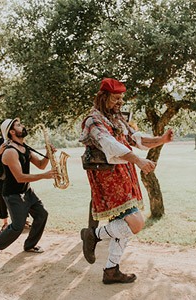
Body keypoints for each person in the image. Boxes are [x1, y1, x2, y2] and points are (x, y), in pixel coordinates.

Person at [79, 78, 173, 284]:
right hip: (108, 179)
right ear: (103, 97)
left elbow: (135, 138)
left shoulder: (117, 119)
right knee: (136, 223)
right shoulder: (93, 120)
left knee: (123, 226)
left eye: (122, 98)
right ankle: (93, 235)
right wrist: (138, 160)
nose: (120, 103)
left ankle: (111, 270)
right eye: (116, 98)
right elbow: (110, 145)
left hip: (124, 176)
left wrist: (161, 140)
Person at [0, 118, 57, 263]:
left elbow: (41, 165)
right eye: (18, 125)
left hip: (27, 191)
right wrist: (44, 176)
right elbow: (19, 177)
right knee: (17, 227)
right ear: (11, 132)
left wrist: (48, 155)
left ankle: (30, 245)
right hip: (13, 194)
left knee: (42, 214)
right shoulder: (10, 152)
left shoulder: (25, 148)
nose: (22, 126)